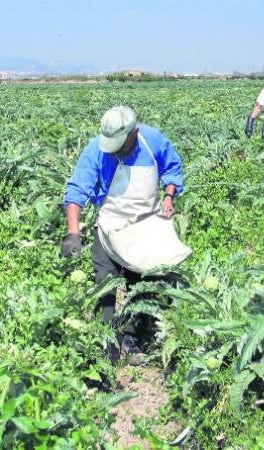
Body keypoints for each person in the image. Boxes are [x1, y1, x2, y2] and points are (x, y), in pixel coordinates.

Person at [62, 106, 191, 363]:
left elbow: (172, 168)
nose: (115, 149)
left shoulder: (152, 140)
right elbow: (77, 189)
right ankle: (105, 343)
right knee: (105, 286)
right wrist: (73, 233)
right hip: (110, 227)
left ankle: (132, 338)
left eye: (120, 143)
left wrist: (168, 195)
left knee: (143, 286)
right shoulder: (97, 149)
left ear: (134, 132)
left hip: (145, 227)